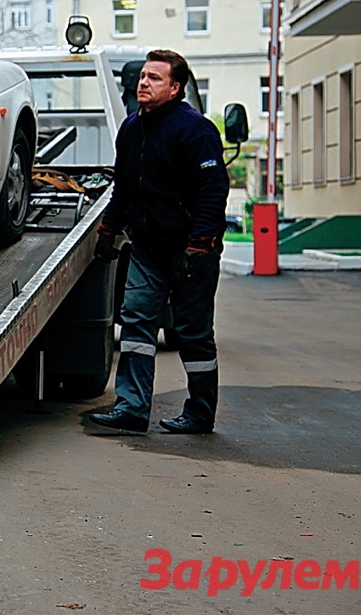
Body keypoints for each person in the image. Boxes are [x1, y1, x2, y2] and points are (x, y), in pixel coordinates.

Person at [90, 50, 229, 434]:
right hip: (148, 249)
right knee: (135, 325)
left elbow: (213, 191)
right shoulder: (132, 129)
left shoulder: (195, 130)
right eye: (143, 76)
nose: (144, 83)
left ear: (175, 87)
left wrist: (200, 245)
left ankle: (200, 414)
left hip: (189, 252)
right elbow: (125, 188)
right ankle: (132, 409)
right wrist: (108, 230)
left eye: (154, 77)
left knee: (194, 335)